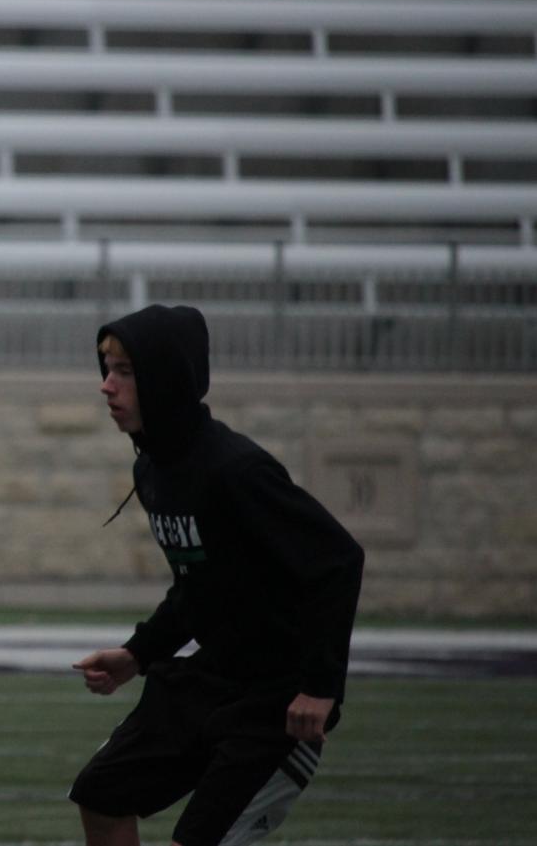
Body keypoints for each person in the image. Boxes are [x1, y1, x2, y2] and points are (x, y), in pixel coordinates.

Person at [69, 304, 365, 846]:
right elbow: (199, 583)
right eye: (105, 369)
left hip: (275, 703)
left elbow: (337, 561)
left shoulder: (236, 470)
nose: (107, 386)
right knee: (100, 793)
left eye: (126, 372)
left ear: (168, 378)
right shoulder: (153, 466)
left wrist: (321, 688)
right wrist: (139, 653)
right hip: (211, 678)